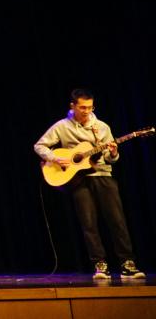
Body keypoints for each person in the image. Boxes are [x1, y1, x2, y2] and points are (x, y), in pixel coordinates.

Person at [34, 89, 146, 280]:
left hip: (103, 175)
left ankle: (128, 263)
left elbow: (111, 159)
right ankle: (100, 265)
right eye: (82, 107)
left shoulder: (101, 127)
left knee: (117, 220)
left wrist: (113, 153)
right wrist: (54, 158)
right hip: (79, 180)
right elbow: (39, 146)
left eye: (90, 107)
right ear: (73, 106)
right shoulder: (62, 126)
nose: (86, 111)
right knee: (89, 223)